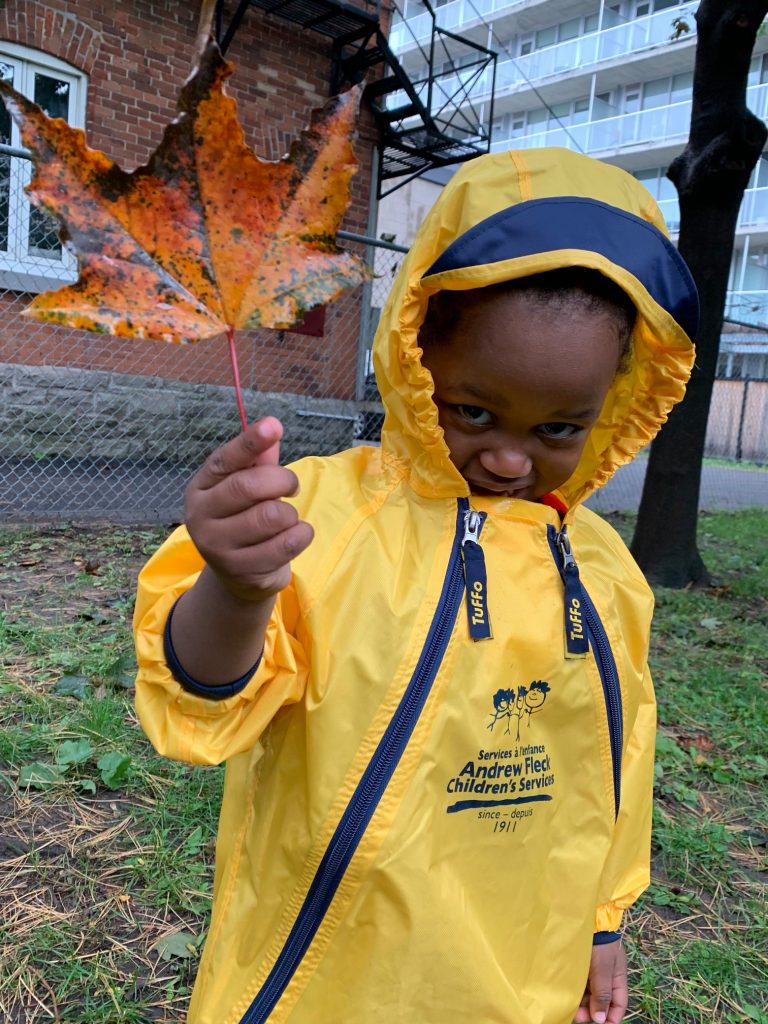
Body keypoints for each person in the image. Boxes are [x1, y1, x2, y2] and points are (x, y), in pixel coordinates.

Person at [134, 146, 698, 1024]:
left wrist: (602, 923)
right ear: (414, 350)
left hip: (522, 981)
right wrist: (238, 592)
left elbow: (618, 760)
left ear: (617, 400)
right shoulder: (321, 515)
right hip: (321, 987)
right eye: (474, 411)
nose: (511, 457)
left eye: (558, 427)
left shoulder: (604, 572)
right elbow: (202, 707)